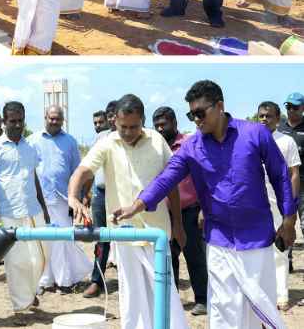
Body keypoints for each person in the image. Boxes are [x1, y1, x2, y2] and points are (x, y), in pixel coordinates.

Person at [115, 81, 296, 329]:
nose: (196, 120)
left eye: (200, 113)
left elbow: (280, 175)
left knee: (259, 307)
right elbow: (166, 178)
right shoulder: (192, 146)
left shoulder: (255, 134)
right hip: (218, 239)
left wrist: (288, 219)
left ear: (219, 106)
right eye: (191, 114)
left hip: (256, 237)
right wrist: (137, 205)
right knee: (223, 309)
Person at [68, 94, 188, 329]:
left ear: (143, 120)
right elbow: (83, 171)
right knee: (133, 297)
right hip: (124, 236)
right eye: (123, 127)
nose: (129, 132)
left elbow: (171, 184)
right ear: (115, 121)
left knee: (165, 294)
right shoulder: (107, 143)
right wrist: (73, 197)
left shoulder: (157, 141)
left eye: (134, 127)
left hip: (158, 234)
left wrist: (178, 224)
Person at [0, 101, 50, 317]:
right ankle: (20, 308)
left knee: (40, 257)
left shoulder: (30, 147)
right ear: (4, 122)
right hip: (8, 212)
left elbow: (34, 177)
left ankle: (30, 293)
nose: (18, 125)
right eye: (13, 121)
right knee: (16, 261)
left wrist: (43, 206)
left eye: (21, 120)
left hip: (33, 210)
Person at [152, 106, 207, 316]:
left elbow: (202, 178)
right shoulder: (155, 147)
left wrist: (203, 208)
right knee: (168, 257)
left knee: (194, 257)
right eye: (156, 124)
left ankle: (202, 299)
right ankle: (172, 300)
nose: (159, 128)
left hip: (190, 211)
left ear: (174, 122)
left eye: (163, 124)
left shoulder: (189, 143)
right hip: (163, 213)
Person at [30, 105, 91, 292]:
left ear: (62, 120)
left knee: (63, 241)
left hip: (64, 199)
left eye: (58, 119)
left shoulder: (70, 142)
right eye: (51, 118)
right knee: (44, 242)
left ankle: (64, 281)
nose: (54, 121)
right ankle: (45, 280)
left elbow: (77, 171)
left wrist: (79, 199)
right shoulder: (33, 140)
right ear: (45, 117)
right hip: (40, 200)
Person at [256, 101, 300, 310]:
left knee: (279, 250)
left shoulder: (286, 141)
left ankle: (281, 295)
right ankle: (262, 294)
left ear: (277, 118)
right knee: (257, 250)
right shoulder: (252, 138)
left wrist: (289, 205)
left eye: (268, 116)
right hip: (254, 204)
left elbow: (294, 174)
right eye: (261, 116)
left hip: (278, 203)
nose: (264, 119)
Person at [83, 101, 115, 299]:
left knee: (130, 239)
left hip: (123, 197)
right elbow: (90, 168)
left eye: (114, 114)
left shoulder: (134, 136)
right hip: (101, 195)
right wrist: (85, 193)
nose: (111, 118)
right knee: (101, 239)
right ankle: (96, 281)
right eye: (109, 115)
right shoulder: (101, 138)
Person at [277, 92, 304, 239]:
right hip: (284, 186)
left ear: (302, 108)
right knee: (285, 224)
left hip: (303, 186)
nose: (291, 110)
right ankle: (288, 260)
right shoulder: (279, 129)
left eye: (295, 107)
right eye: (288, 106)